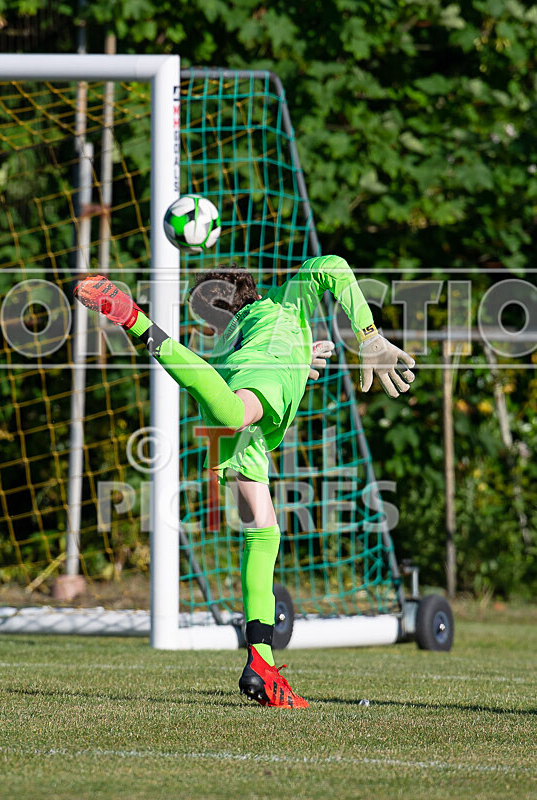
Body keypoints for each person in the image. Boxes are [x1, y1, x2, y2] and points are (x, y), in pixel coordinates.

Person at [74, 255, 415, 708]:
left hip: (238, 401)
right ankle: (134, 318)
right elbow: (332, 266)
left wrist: (298, 357)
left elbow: (255, 347)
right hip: (249, 397)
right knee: (237, 423)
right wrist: (367, 336)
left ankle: (261, 662)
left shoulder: (243, 334)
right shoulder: (284, 306)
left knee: (263, 527)